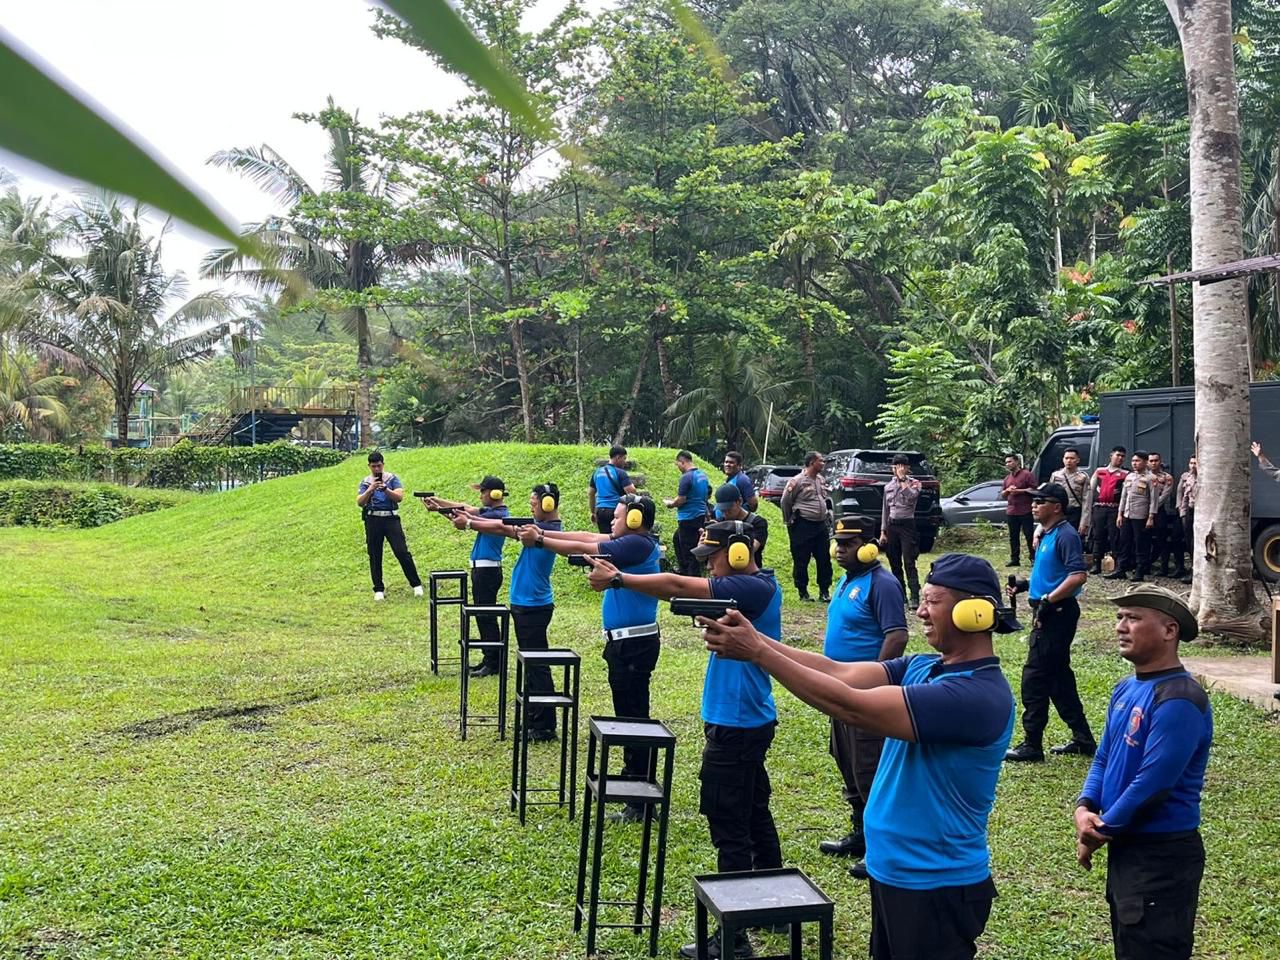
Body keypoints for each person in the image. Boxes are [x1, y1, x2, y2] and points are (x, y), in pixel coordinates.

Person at [700, 553, 1017, 960]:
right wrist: (755, 641)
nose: (920, 611)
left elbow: (850, 706)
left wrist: (759, 654)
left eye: (932, 601)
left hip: (936, 883)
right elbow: (838, 672)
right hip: (896, 872)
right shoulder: (923, 668)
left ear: (975, 612)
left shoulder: (977, 696)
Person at [584, 519, 784, 960]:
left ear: (739, 552)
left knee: (729, 825)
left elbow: (675, 584)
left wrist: (619, 578)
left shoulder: (752, 587)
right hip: (745, 719)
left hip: (736, 724)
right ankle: (771, 906)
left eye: (713, 557)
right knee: (753, 812)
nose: (708, 566)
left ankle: (734, 938)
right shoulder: (755, 587)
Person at [1074, 585, 1213, 960]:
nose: (1120, 626)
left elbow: (1153, 785)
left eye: (1133, 618)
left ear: (1169, 630)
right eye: (1119, 617)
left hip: (1161, 856)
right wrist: (1084, 807)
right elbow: (1104, 757)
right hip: (1128, 847)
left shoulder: (1180, 698)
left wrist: (1100, 831)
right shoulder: (1126, 688)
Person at [516, 494, 662, 818]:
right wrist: (543, 534)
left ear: (636, 520)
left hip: (633, 645)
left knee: (634, 720)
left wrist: (540, 539)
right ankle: (636, 786)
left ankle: (640, 798)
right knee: (629, 717)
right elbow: (585, 536)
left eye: (619, 516)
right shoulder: (631, 542)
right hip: (626, 644)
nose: (613, 520)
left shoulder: (636, 544)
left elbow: (585, 545)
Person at [817, 516, 908, 881]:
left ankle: (882, 849)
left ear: (869, 547)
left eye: (848, 544)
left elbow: (897, 636)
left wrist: (874, 682)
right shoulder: (847, 580)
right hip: (840, 692)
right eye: (837, 543)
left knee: (869, 768)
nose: (839, 550)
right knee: (847, 760)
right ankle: (861, 833)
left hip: (864, 695)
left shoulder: (882, 584)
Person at [451, 483, 562, 739]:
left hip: (533, 607)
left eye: (534, 503)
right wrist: (469, 519)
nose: (531, 508)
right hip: (527, 605)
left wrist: (470, 523)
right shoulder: (540, 528)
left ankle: (544, 725)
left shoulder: (547, 531)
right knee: (532, 665)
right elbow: (501, 526)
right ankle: (535, 719)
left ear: (548, 503)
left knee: (537, 665)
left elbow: (501, 528)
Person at [1005, 484, 1096, 763]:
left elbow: (1077, 576)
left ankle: (1032, 744)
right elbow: (1052, 574)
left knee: (1035, 677)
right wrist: (1026, 586)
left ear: (1057, 506)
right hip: (1049, 609)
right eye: (1033, 501)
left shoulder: (1066, 535)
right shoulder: (1047, 533)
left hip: (1056, 613)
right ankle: (1083, 739)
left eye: (1040, 501)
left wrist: (1048, 599)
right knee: (1058, 678)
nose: (1034, 505)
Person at [424, 476, 509, 677]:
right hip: (483, 571)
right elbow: (464, 510)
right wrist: (438, 503)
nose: (480, 496)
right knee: (482, 616)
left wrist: (441, 509)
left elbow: (466, 516)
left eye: (483, 491)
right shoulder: (491, 512)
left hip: (487, 572)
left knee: (486, 617)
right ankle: (489, 659)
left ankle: (493, 662)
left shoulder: (498, 515)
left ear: (495, 493)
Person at [356, 450, 422, 601]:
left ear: (383, 464)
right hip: (373, 519)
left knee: (401, 551)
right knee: (375, 554)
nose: (376, 469)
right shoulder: (365, 482)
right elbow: (360, 502)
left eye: (379, 466)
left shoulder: (392, 479)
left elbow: (399, 497)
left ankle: (416, 584)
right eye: (373, 466)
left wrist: (386, 489)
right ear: (369, 466)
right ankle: (378, 589)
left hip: (391, 518)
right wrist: (370, 490)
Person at [780, 451, 832, 602]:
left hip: (820, 525)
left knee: (824, 558)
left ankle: (824, 591)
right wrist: (789, 520)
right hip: (803, 525)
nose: (823, 464)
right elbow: (785, 501)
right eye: (820, 461)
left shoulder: (820, 480)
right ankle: (803, 592)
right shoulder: (797, 481)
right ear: (812, 463)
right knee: (801, 558)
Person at [879, 454, 922, 606]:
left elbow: (911, 497)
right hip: (892, 525)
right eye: (896, 467)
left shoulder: (915, 483)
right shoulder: (888, 487)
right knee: (894, 561)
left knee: (909, 560)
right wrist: (883, 531)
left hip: (907, 524)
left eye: (901, 467)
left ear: (907, 468)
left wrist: (903, 479)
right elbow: (885, 510)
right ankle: (900, 594)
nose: (898, 469)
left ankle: (914, 595)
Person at [1108, 451, 1154, 583]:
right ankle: (1121, 569)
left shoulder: (1151, 478)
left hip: (1141, 515)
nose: (1134, 463)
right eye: (1133, 461)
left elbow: (1153, 500)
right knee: (1124, 542)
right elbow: (1124, 497)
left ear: (1145, 462)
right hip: (1127, 514)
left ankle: (1140, 571)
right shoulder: (1129, 476)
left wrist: (1151, 517)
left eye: (1138, 461)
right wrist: (1120, 514)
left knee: (1140, 544)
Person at [665, 450, 711, 576]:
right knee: (677, 538)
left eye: (678, 465)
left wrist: (670, 504)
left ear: (682, 462)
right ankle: (684, 570)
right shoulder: (702, 476)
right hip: (699, 516)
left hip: (688, 518)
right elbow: (704, 497)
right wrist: (707, 514)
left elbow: (681, 500)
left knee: (690, 553)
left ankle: (692, 579)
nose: (678, 467)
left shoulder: (686, 477)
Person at [1085, 446, 1128, 574]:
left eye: (1123, 456)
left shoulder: (1126, 474)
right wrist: (1089, 508)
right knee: (1098, 536)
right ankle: (1096, 564)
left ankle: (1117, 566)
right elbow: (1090, 490)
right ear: (1111, 456)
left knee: (1115, 537)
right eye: (1118, 455)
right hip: (1099, 507)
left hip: (1115, 509)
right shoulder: (1100, 471)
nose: (1120, 458)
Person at [713, 482, 768, 567]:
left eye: (729, 509)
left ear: (739, 501)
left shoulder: (758, 523)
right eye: (722, 510)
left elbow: (751, 550)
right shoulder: (719, 523)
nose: (725, 513)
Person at [589, 445, 637, 534]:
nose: (625, 462)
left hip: (600, 511)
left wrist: (593, 512)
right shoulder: (620, 472)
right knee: (618, 538)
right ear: (618, 457)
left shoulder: (597, 472)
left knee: (604, 538)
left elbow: (591, 493)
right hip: (615, 511)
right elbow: (631, 491)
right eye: (624, 458)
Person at [1146, 452, 1180, 579]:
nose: (1153, 463)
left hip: (1159, 511)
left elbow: (1164, 496)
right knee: (1144, 539)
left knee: (1162, 540)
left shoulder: (1167, 477)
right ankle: (1145, 565)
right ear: (1147, 462)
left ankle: (1164, 567)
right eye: (1151, 461)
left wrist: (1152, 507)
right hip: (1143, 511)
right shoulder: (1144, 476)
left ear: (1160, 461)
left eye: (1156, 460)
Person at [999, 454, 1037, 567]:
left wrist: (1019, 491)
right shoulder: (1007, 478)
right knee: (1013, 537)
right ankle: (1015, 559)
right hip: (1012, 511)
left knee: (1029, 535)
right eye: (1006, 462)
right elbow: (1002, 495)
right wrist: (1007, 490)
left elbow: (1034, 489)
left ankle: (1033, 558)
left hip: (1025, 510)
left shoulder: (1027, 475)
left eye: (1010, 461)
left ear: (1016, 462)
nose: (1008, 464)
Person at [1050, 447, 1090, 531]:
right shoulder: (1056, 475)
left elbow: (1087, 501)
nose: (1069, 461)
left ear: (1077, 460)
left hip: (1074, 513)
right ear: (1063, 460)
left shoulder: (1083, 477)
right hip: (1059, 512)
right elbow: (1050, 496)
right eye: (1066, 458)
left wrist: (1084, 522)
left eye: (1072, 458)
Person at [1176, 458, 1198, 585]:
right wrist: (1183, 513)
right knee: (1189, 542)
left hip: (1201, 512)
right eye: (1191, 463)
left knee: (1197, 543)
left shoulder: (1204, 477)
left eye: (1195, 463)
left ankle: (1196, 572)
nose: (1193, 466)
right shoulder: (1187, 477)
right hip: (1190, 511)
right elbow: (1184, 496)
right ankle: (1192, 570)